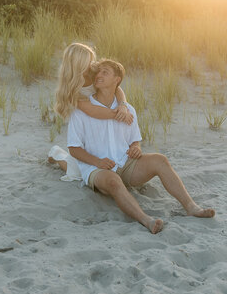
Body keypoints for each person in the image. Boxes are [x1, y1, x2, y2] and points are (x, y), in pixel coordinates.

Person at [68, 59, 215, 234]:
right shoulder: (83, 110)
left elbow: (134, 140)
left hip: (125, 163)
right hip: (97, 169)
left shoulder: (127, 109)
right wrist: (97, 162)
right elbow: (74, 149)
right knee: (114, 182)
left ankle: (191, 207)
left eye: (105, 72)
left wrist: (136, 147)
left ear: (117, 79)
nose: (98, 75)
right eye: (98, 72)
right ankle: (147, 220)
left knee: (160, 160)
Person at [49, 42, 133, 178]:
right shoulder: (73, 89)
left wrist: (123, 105)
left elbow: (116, 87)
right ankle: (57, 154)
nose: (92, 65)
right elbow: (92, 111)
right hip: (87, 120)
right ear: (77, 65)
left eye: (91, 60)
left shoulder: (93, 71)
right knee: (78, 173)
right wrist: (118, 114)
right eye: (87, 62)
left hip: (103, 118)